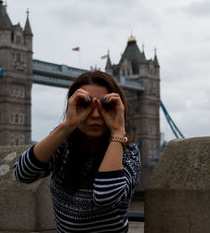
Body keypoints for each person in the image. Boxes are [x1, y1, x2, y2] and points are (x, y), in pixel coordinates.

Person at [14, 70, 140, 233]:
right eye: (85, 105)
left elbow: (106, 195)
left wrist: (117, 131)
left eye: (106, 106)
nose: (95, 114)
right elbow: (23, 174)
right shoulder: (63, 144)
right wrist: (68, 125)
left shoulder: (128, 152)